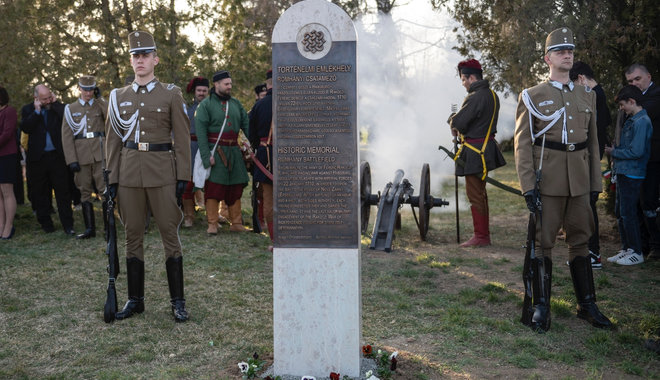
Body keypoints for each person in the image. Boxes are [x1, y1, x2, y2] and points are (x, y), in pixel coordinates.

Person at [514, 27, 612, 332]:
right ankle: (541, 307)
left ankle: (587, 304)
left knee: (581, 241)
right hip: (550, 179)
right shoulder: (532, 96)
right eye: (560, 51)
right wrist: (529, 186)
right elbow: (523, 144)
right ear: (547, 58)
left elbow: (593, 143)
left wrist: (595, 184)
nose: (567, 54)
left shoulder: (587, 95)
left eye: (570, 50)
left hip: (580, 181)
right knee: (543, 243)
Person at [106, 30, 191, 322]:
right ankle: (135, 300)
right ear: (131, 62)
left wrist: (183, 175)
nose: (140, 60)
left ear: (155, 59)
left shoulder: (171, 93)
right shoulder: (118, 97)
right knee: (132, 236)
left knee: (170, 235)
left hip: (162, 172)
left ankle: (177, 302)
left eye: (145, 55)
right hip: (129, 172)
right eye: (135, 56)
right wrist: (112, 178)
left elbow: (181, 137)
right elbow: (112, 142)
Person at [448, 58, 506, 247]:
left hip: (475, 152)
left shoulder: (476, 96)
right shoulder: (491, 94)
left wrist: (452, 120)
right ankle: (482, 234)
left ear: (471, 78)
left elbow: (460, 123)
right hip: (483, 149)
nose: (463, 84)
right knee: (480, 194)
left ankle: (481, 237)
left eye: (464, 80)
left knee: (475, 195)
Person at [195, 70, 250, 234]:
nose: (229, 87)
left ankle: (236, 223)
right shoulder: (205, 105)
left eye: (230, 84)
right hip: (215, 151)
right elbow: (201, 133)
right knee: (214, 188)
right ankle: (212, 223)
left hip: (234, 151)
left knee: (236, 186)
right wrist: (206, 157)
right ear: (216, 84)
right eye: (226, 84)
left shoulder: (236, 104)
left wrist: (248, 147)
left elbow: (245, 126)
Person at [569, 61, 612, 268]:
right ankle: (589, 252)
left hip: (588, 157)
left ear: (581, 79)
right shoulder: (599, 95)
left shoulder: (594, 97)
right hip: (590, 156)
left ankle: (592, 253)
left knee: (587, 206)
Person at [604, 85, 652, 265]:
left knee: (629, 213)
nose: (621, 109)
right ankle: (626, 249)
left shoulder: (642, 122)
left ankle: (636, 252)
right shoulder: (632, 119)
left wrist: (613, 152)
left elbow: (637, 152)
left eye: (623, 105)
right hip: (624, 172)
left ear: (632, 102)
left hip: (633, 174)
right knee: (621, 212)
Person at [20, 84, 75, 235]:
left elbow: (66, 116)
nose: (47, 101)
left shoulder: (57, 107)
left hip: (57, 157)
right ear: (36, 98)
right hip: (38, 159)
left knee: (63, 192)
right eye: (44, 99)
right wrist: (37, 112)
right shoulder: (28, 110)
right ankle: (46, 224)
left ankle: (68, 225)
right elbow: (25, 127)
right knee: (40, 193)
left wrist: (55, 103)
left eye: (49, 97)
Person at [61, 75, 108, 239]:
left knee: (104, 190)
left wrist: (100, 98)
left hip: (100, 154)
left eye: (91, 89)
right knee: (84, 191)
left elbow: (110, 117)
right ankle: (90, 229)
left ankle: (108, 228)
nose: (88, 93)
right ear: (79, 89)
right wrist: (71, 160)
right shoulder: (70, 109)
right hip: (81, 156)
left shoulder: (99, 105)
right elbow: (66, 137)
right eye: (85, 89)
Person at [625, 63, 660, 259]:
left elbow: (640, 113)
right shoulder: (636, 99)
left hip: (654, 159)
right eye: (630, 81)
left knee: (650, 203)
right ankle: (644, 245)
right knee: (638, 203)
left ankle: (656, 245)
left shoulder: (656, 94)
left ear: (648, 75)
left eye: (637, 79)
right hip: (637, 160)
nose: (634, 83)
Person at [249, 69, 274, 247]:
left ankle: (275, 239)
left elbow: (253, 139)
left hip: (266, 156)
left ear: (268, 84)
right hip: (294, 158)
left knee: (269, 199)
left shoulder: (259, 105)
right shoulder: (296, 101)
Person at [182, 76, 209, 227]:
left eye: (204, 91)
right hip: (191, 148)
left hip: (209, 147)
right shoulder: (187, 110)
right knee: (189, 184)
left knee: (210, 183)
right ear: (195, 92)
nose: (201, 93)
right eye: (199, 90)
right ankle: (189, 216)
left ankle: (212, 217)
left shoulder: (214, 109)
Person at [0, 86, 18, 239]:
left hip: (7, 156)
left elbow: (7, 134)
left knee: (7, 192)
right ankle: (1, 225)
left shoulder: (9, 111)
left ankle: (9, 226)